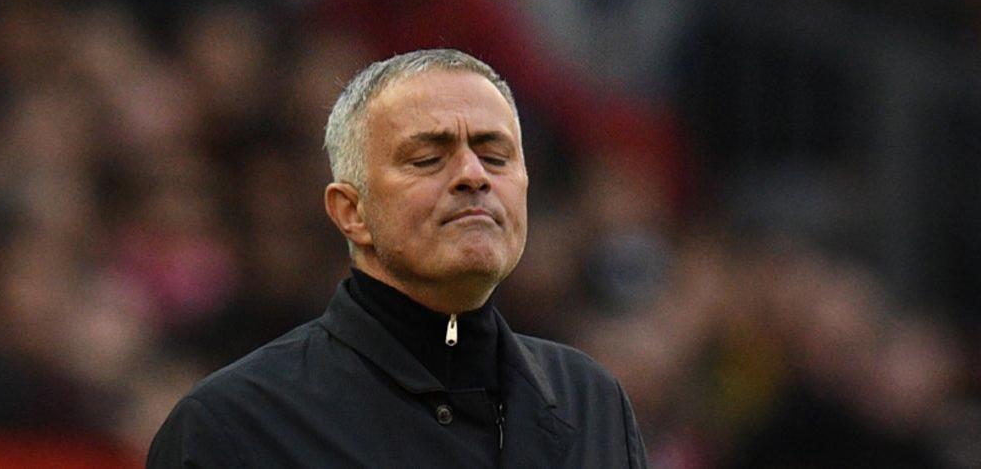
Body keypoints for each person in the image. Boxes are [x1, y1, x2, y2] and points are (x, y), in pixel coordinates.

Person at [148, 48, 648, 467]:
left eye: (495, 156)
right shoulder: (232, 429)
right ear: (351, 212)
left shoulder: (592, 402)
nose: (473, 175)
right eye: (428, 158)